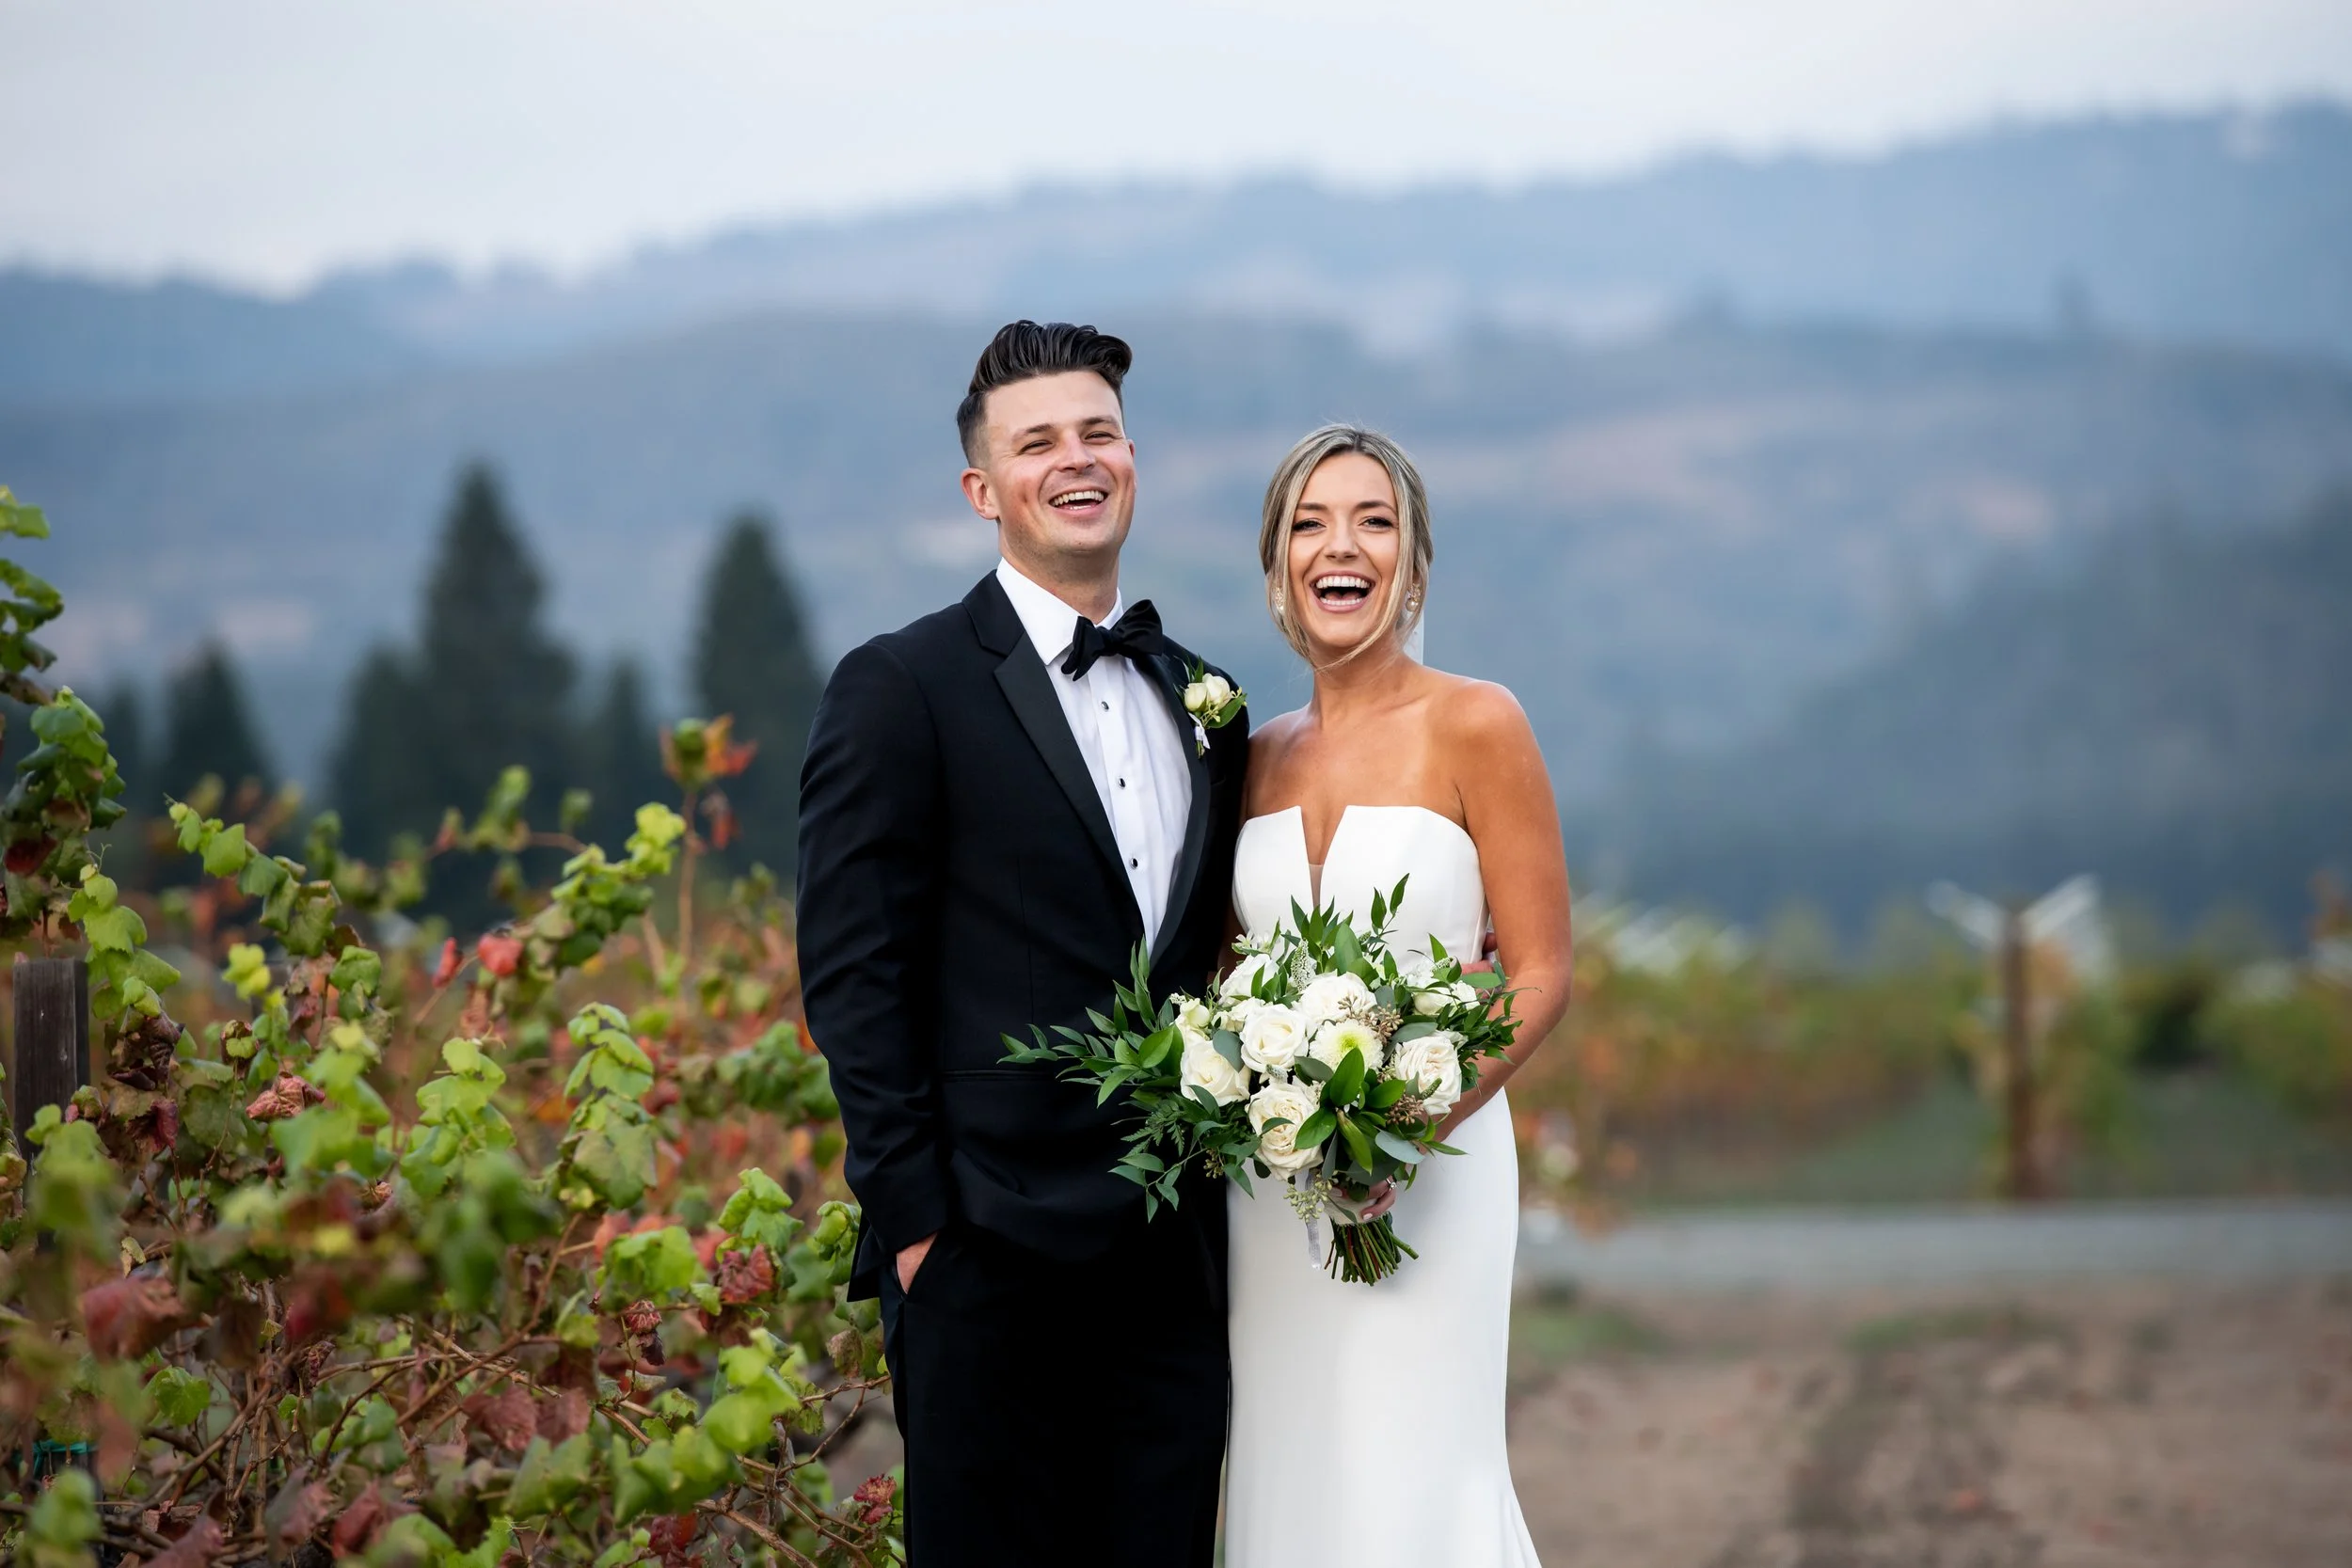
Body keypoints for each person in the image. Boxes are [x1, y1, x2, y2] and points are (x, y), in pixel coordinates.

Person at [796, 321, 1248, 1567]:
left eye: (1098, 431)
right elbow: (850, 973)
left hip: (1170, 1257)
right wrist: (919, 1228)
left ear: (1134, 459)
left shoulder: (1206, 697)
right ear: (981, 489)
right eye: (1038, 440)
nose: (1077, 458)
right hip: (983, 1249)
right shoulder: (901, 685)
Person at [1221, 425, 1574, 1566]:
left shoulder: (1480, 721)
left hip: (1439, 1173)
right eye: (1310, 523)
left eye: (1374, 520)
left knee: (1419, 1472)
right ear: (1277, 568)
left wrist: (1414, 1124)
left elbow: (1539, 972)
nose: (1343, 545)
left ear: (1413, 563)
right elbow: (1226, 973)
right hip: (1271, 1188)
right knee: (1287, 1463)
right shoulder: (1251, 755)